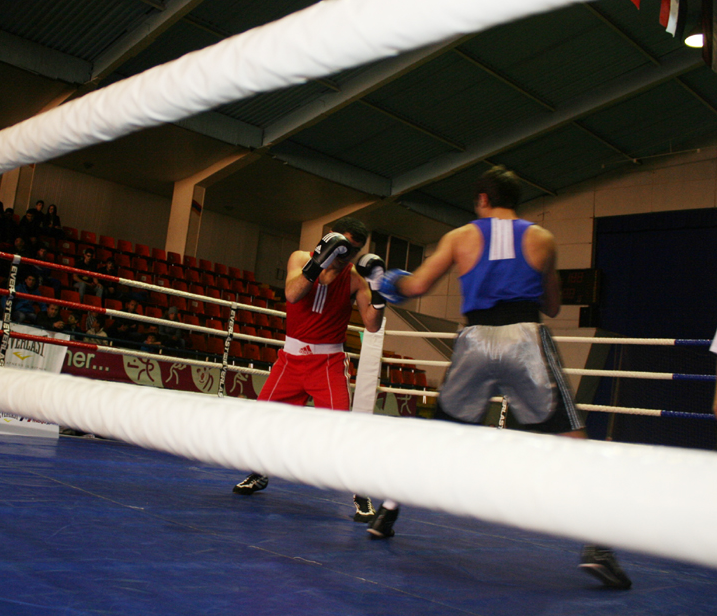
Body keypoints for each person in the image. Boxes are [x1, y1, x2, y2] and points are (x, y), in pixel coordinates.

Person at [370, 165, 631, 590]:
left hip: (475, 341)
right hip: (524, 338)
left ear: (482, 200)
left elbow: (415, 287)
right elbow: (552, 307)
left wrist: (385, 281)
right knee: (572, 441)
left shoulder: (461, 236)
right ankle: (598, 546)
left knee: (438, 436)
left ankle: (388, 511)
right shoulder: (542, 238)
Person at [231, 217, 386, 525]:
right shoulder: (300, 258)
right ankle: (260, 472)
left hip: (327, 363)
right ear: (330, 237)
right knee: (262, 420)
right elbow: (292, 294)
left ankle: (361, 490)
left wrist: (380, 292)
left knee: (341, 429)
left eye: (353, 251)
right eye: (343, 246)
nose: (346, 255)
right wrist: (320, 260)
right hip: (290, 360)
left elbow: (372, 324)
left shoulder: (355, 278)